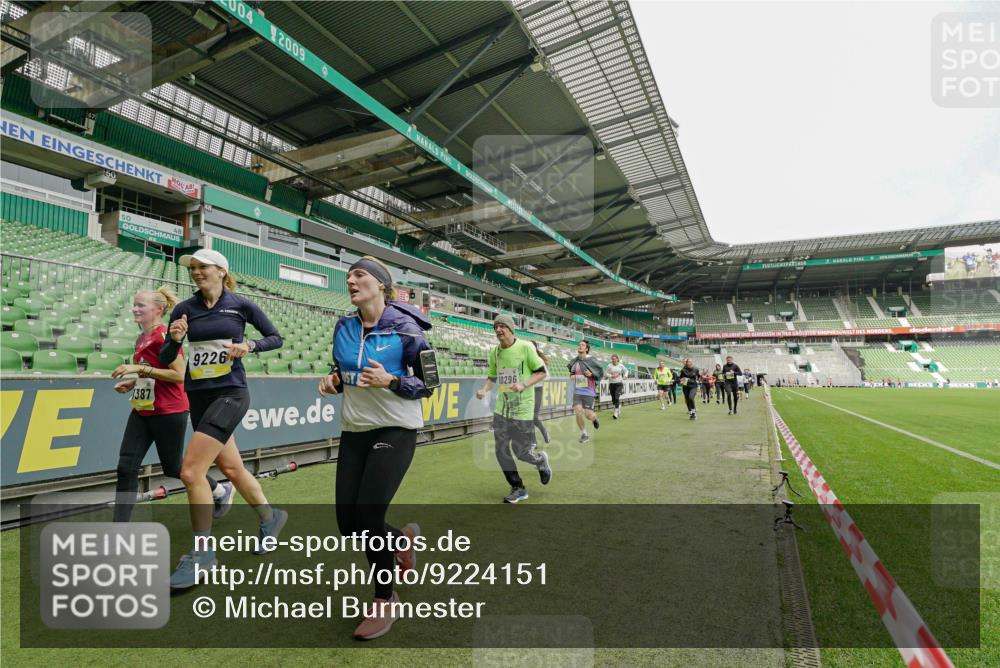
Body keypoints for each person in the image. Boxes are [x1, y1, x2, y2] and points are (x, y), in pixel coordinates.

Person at [318, 255, 434, 640]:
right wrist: (333, 381)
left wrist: (392, 381)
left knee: (368, 520)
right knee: (348, 526)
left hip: (397, 428)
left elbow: (430, 384)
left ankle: (385, 600)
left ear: (381, 285)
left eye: (360, 275)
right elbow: (341, 370)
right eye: (349, 276)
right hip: (355, 430)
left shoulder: (408, 329)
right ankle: (401, 540)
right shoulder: (343, 326)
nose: (351, 281)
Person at [161, 249, 286, 589]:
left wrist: (251, 346)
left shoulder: (241, 305)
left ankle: (202, 554)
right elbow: (167, 355)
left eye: (203, 267)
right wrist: (173, 340)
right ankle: (270, 517)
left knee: (190, 471)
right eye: (193, 268)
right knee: (231, 469)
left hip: (230, 394)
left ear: (221, 271)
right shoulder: (184, 309)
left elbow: (276, 337)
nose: (197, 272)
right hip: (198, 396)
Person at [110, 287, 218, 522]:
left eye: (141, 305)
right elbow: (152, 374)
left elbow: (180, 375)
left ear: (158, 309)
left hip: (170, 410)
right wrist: (132, 383)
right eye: (134, 304)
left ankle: (219, 491)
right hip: (143, 409)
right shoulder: (141, 337)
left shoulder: (163, 335)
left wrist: (139, 369)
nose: (135, 309)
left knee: (173, 467)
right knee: (126, 467)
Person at [476, 315, 551, 504]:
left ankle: (540, 460)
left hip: (523, 410)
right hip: (502, 409)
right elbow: (492, 377)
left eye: (502, 326)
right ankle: (517, 487)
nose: (498, 330)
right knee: (501, 450)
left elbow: (541, 372)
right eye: (496, 327)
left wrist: (524, 384)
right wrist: (484, 390)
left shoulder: (526, 347)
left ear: (511, 329)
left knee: (522, 453)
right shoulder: (495, 352)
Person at [568, 341, 603, 442]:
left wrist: (591, 374)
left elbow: (599, 373)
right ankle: (584, 434)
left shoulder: (592, 360)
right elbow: (571, 374)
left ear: (586, 349)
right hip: (577, 391)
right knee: (578, 411)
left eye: (582, 345)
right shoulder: (575, 362)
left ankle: (594, 419)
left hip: (589, 391)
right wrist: (574, 376)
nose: (580, 346)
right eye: (579, 344)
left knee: (588, 414)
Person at [531, 341, 551, 444]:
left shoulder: (539, 360)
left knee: (533, 416)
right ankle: (533, 442)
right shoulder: (523, 360)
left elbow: (547, 376)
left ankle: (544, 432)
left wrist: (534, 379)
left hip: (537, 389)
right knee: (527, 417)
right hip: (526, 391)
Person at [605, 354, 628, 419]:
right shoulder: (609, 366)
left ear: (617, 359)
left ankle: (615, 412)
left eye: (614, 359)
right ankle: (618, 406)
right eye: (612, 359)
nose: (613, 360)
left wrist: (625, 376)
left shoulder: (621, 365)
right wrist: (611, 376)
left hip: (619, 383)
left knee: (616, 397)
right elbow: (606, 373)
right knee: (613, 399)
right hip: (612, 383)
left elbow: (626, 370)